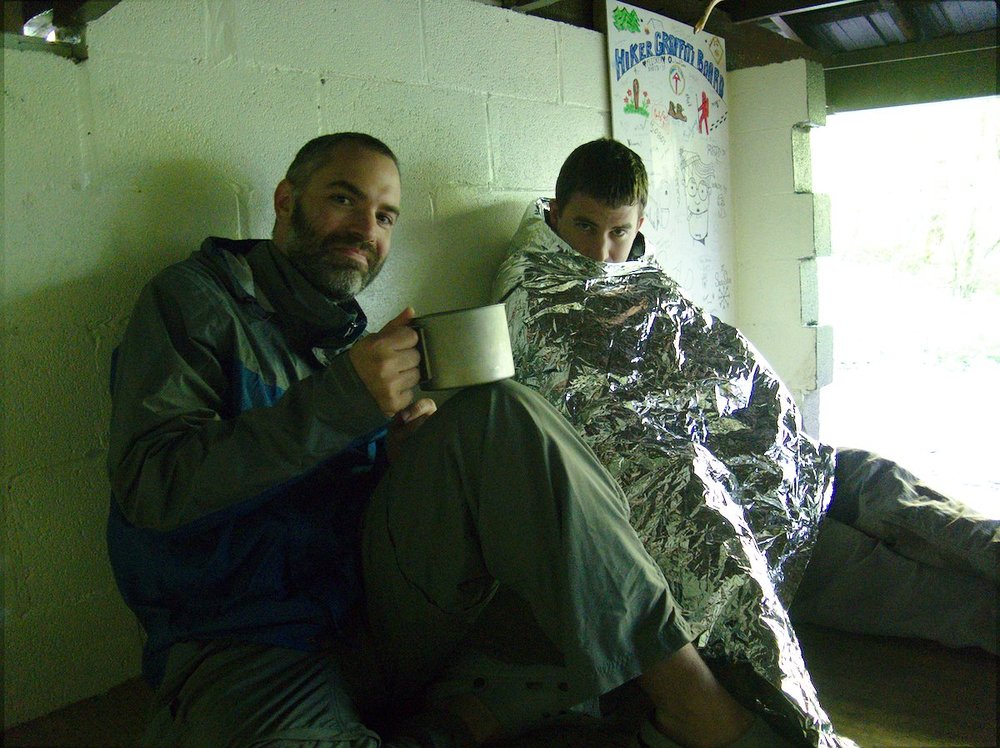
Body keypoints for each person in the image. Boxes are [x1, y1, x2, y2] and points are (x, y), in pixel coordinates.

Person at [106, 132, 804, 748]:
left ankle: (691, 705)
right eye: (343, 200)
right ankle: (460, 722)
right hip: (246, 637)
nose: (365, 229)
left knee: (502, 416)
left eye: (385, 216)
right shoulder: (192, 302)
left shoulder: (347, 332)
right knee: (565, 676)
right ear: (286, 201)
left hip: (369, 617)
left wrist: (395, 455)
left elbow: (340, 490)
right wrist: (343, 401)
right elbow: (152, 489)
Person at [492, 137, 998, 672]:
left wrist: (775, 437)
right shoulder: (532, 295)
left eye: (618, 232)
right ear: (556, 212)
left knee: (903, 495)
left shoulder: (644, 274)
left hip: (795, 463)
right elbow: (605, 435)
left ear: (639, 224)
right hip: (751, 533)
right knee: (931, 595)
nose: (601, 252)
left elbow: (719, 358)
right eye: (585, 226)